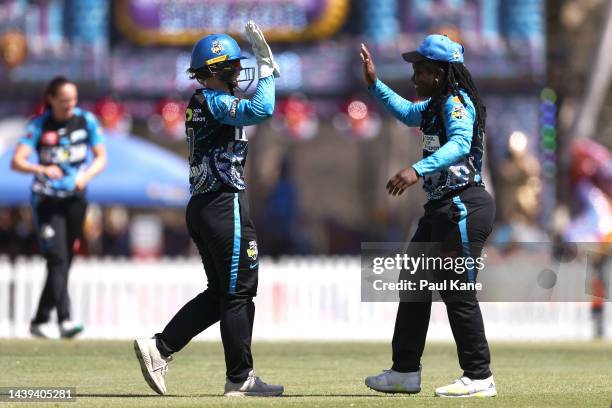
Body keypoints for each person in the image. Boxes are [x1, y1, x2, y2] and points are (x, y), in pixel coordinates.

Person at [133, 21, 284, 397]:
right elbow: (263, 108)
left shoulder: (201, 102)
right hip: (223, 204)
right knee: (238, 294)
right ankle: (240, 378)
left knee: (221, 293)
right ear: (214, 71)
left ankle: (161, 347)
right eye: (231, 66)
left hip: (204, 205)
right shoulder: (213, 101)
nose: (237, 71)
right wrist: (266, 69)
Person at [360, 35, 497, 398]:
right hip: (442, 208)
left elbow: (460, 145)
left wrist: (416, 170)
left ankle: (480, 376)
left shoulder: (455, 101)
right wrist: (375, 84)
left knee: (456, 290)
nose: (414, 74)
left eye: (419, 68)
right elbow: (406, 113)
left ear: (438, 73)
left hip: (463, 205)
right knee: (415, 284)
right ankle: (405, 372)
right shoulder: (436, 103)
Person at [10, 76, 107, 339]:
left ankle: (39, 320)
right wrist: (41, 168)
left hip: (75, 198)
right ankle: (65, 319)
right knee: (57, 259)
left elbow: (101, 157)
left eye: (73, 100)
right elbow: (16, 161)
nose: (69, 105)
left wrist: (85, 176)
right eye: (64, 100)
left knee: (64, 261)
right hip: (46, 200)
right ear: (51, 99)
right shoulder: (38, 125)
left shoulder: (86, 121)